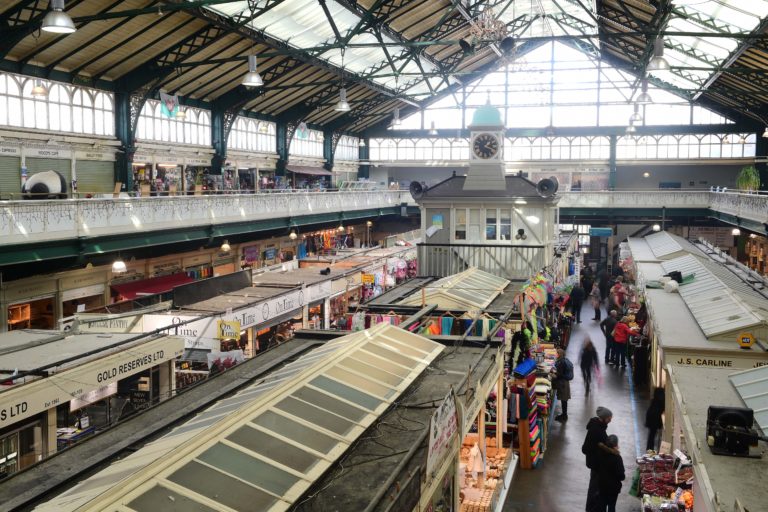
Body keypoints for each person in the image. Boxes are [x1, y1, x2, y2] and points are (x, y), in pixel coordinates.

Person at [582, 406, 614, 512]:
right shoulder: (597, 430)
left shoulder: (598, 426)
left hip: (596, 464)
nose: (611, 419)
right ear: (604, 418)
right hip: (596, 464)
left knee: (594, 488)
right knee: (594, 489)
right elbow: (586, 448)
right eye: (609, 418)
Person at [597, 434, 625, 512]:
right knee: (611, 506)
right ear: (616, 445)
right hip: (613, 488)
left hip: (602, 486)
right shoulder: (617, 458)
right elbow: (621, 475)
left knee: (601, 506)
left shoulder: (601, 454)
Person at [552, 348, 572, 422]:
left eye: (556, 353)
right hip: (564, 383)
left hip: (563, 384)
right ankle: (564, 414)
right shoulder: (563, 361)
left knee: (564, 400)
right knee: (564, 400)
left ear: (559, 354)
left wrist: (553, 373)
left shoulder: (561, 363)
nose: (555, 354)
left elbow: (559, 374)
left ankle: (564, 415)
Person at [645, 387, 665, 452]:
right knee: (652, 435)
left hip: (651, 417)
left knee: (651, 435)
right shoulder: (662, 398)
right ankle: (650, 449)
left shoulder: (656, 397)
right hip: (654, 419)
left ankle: (650, 449)